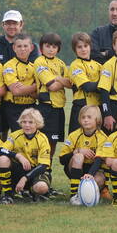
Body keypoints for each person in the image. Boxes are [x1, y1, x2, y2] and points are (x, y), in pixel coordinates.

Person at [0, 108, 51, 204]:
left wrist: (25, 178)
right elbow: (1, 150)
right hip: (19, 170)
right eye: (24, 122)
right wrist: (18, 156)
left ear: (37, 124)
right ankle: (8, 195)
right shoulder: (15, 135)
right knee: (3, 159)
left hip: (36, 171)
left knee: (41, 187)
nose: (27, 125)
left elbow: (43, 165)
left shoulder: (43, 139)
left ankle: (30, 191)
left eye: (31, 122)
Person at [59, 105, 108, 205]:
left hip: (94, 169)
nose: (85, 120)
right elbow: (62, 160)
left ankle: (94, 192)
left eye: (89, 117)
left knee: (98, 180)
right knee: (78, 156)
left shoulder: (102, 137)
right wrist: (77, 151)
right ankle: (74, 195)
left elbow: (99, 160)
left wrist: (90, 174)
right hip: (75, 169)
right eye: (83, 117)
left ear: (97, 120)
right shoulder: (74, 135)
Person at [34, 32, 71, 160]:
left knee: (54, 141)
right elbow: (52, 86)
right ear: (41, 47)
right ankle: (41, 166)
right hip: (46, 107)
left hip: (59, 108)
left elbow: (70, 84)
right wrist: (62, 80)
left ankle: (47, 166)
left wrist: (57, 78)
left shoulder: (61, 63)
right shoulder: (39, 62)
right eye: (48, 46)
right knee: (43, 140)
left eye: (54, 47)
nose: (51, 49)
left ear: (58, 49)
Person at [1, 34, 38, 134]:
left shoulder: (34, 67)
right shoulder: (9, 65)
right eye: (19, 46)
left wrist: (25, 89)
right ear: (14, 48)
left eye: (25, 46)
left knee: (31, 137)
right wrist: (33, 87)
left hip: (31, 106)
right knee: (18, 136)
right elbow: (16, 91)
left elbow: (38, 94)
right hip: (14, 107)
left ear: (31, 48)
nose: (22, 49)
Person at [68, 32, 102, 133]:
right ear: (75, 50)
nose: (83, 49)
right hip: (81, 106)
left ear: (90, 46)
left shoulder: (98, 65)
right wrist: (103, 85)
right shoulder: (75, 65)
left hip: (97, 107)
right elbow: (87, 86)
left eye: (85, 46)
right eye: (79, 47)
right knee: (77, 140)